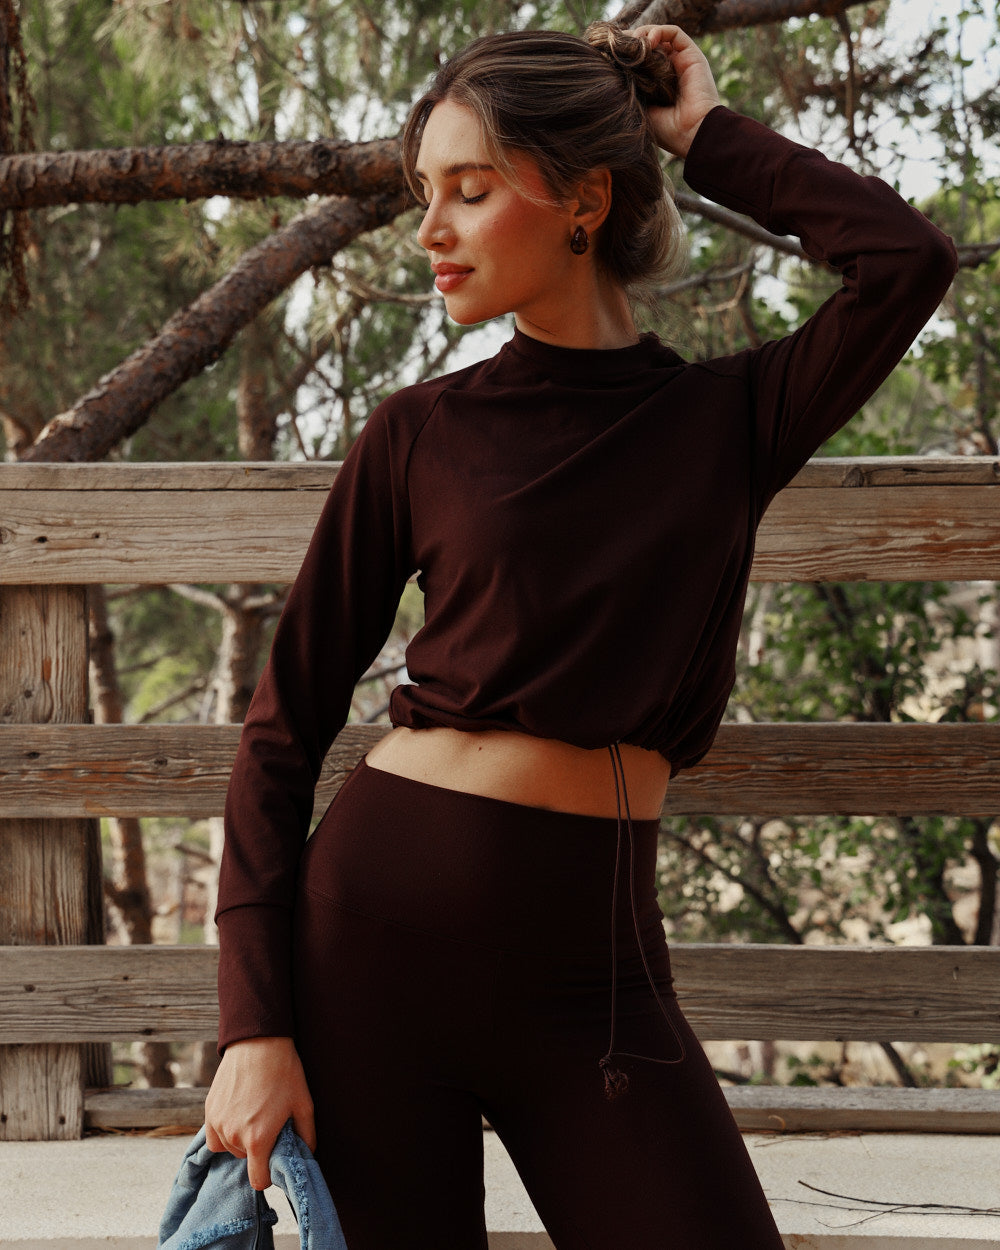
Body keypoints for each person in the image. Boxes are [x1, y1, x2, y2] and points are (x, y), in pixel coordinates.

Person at [204, 21, 957, 1249]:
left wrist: (702, 131)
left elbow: (906, 258)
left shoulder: (729, 417)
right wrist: (252, 1024)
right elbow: (281, 727)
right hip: (374, 945)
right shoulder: (417, 432)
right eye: (423, 194)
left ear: (584, 201)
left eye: (470, 188)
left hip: (598, 977)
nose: (431, 229)